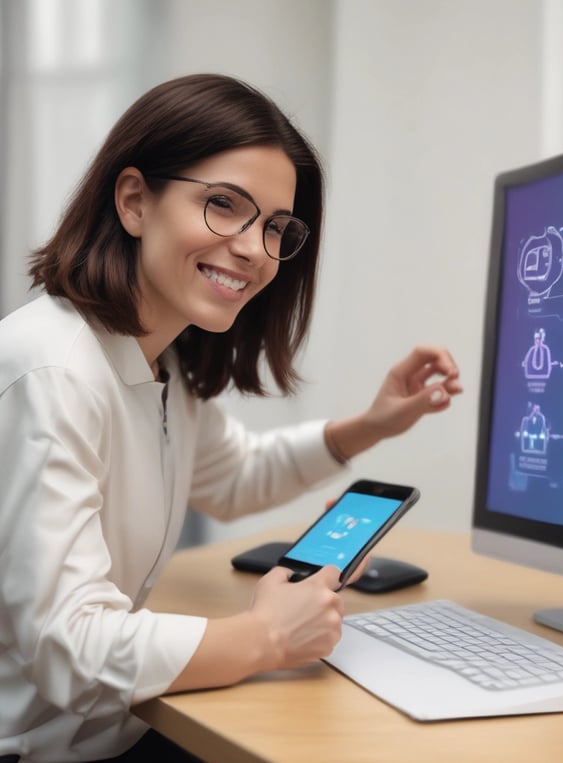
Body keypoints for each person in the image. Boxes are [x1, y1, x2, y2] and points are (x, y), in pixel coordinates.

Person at [0, 73, 462, 763]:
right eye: (224, 205)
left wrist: (371, 424)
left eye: (276, 227)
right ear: (133, 201)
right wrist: (263, 637)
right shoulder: (53, 368)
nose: (254, 248)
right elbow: (72, 647)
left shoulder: (160, 364)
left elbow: (236, 475)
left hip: (108, 728)